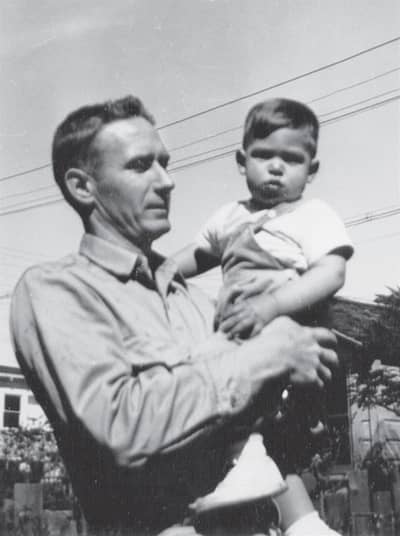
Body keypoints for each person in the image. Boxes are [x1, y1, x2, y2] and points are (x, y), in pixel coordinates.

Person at [10, 95, 339, 536]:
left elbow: (257, 429)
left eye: (165, 163)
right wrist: (266, 357)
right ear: (82, 186)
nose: (167, 181)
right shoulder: (57, 289)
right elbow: (121, 426)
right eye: (141, 165)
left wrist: (300, 392)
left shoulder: (197, 302)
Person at [174, 98, 354, 532]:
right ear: (242, 160)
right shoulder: (229, 217)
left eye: (292, 159)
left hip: (285, 333)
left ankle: (250, 468)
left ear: (311, 170)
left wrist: (271, 304)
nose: (276, 167)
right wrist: (158, 270)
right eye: (264, 155)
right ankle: (302, 521)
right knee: (236, 420)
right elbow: (197, 255)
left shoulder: (313, 216)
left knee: (241, 414)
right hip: (238, 337)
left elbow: (332, 273)